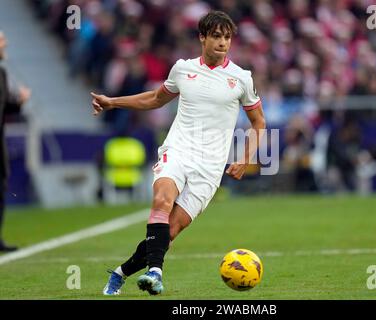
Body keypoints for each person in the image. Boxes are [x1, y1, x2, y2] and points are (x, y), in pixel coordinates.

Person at [91, 11, 266, 296]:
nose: (223, 43)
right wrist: (113, 102)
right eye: (217, 36)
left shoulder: (241, 78)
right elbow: (155, 99)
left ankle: (121, 273)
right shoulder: (183, 69)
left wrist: (245, 158)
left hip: (210, 167)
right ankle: (156, 273)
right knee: (161, 199)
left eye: (227, 37)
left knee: (168, 233)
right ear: (202, 37)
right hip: (179, 150)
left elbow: (259, 122)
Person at [0, 31, 31, 252]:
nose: (6, 43)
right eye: (2, 40)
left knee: (1, 187)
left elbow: (5, 107)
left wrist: (19, 101)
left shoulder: (1, 73)